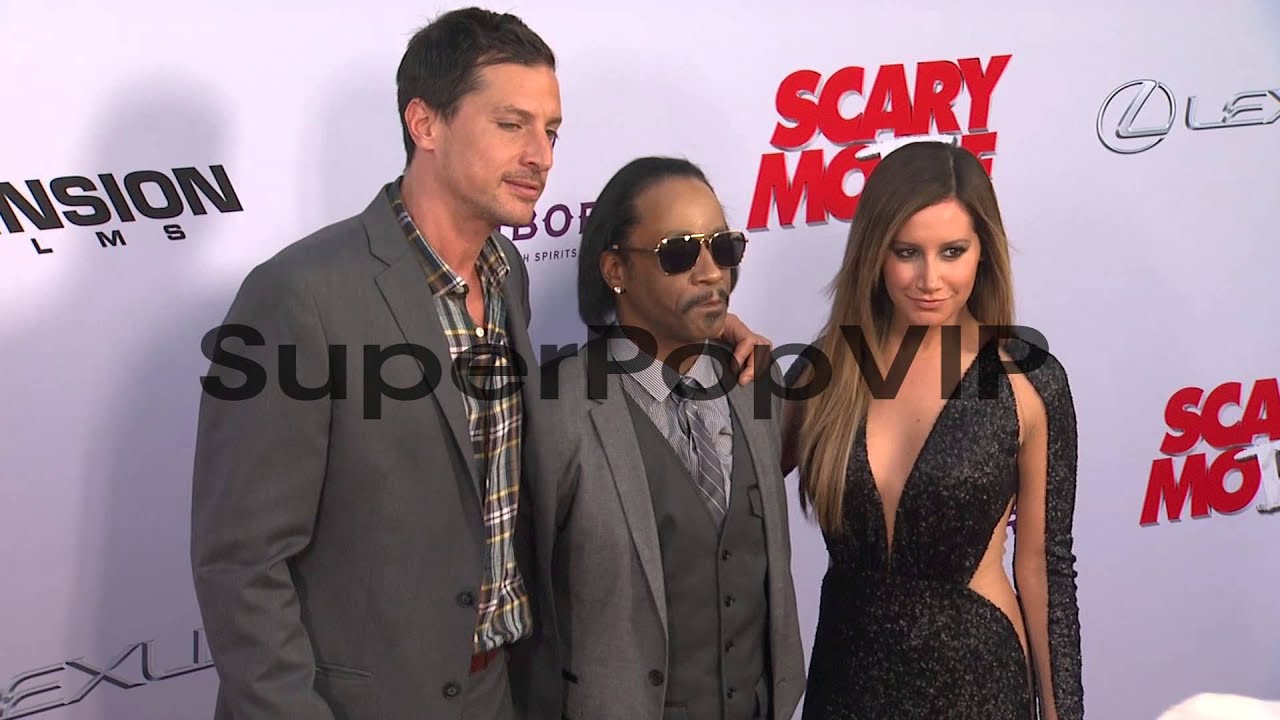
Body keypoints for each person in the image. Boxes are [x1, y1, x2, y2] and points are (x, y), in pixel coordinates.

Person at [189, 10, 767, 720]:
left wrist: (696, 331)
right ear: (425, 124)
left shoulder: (505, 276)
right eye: (511, 125)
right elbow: (242, 563)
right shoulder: (299, 296)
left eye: (551, 131)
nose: (541, 156)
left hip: (500, 691)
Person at [781, 141, 1083, 719]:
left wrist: (1062, 713)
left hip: (977, 680)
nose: (930, 279)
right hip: (847, 681)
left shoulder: (1027, 380)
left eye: (952, 252)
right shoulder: (828, 371)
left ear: (983, 252)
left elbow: (1043, 566)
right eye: (906, 252)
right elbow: (725, 488)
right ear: (874, 252)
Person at [534, 157, 805, 720]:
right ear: (616, 269)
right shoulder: (556, 408)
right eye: (679, 253)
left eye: (723, 248)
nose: (711, 273)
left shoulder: (757, 383)